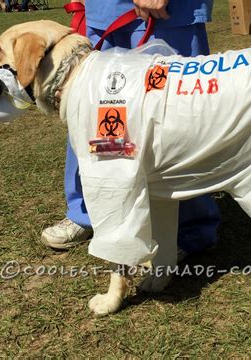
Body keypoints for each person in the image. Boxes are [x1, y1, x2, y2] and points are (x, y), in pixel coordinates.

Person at [41, 0, 221, 259]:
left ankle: (191, 228)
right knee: (90, 110)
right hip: (101, 11)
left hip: (167, 12)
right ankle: (87, 212)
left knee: (174, 117)